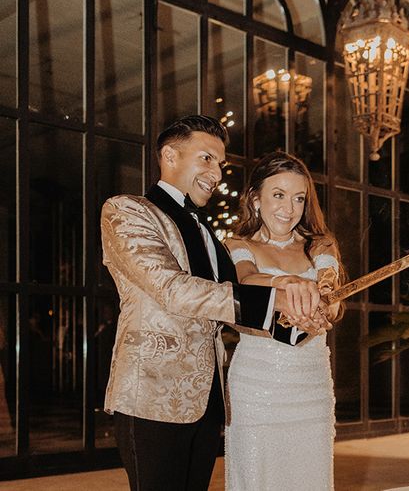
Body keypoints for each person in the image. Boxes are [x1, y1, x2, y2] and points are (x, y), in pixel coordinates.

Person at [101, 115, 329, 491]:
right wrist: (275, 296)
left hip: (208, 401)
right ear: (170, 156)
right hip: (152, 397)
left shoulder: (208, 231)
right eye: (207, 158)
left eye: (220, 164)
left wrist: (298, 320)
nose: (217, 173)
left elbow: (231, 307)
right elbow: (171, 289)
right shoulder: (127, 210)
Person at [224, 151, 344, 490]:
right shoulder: (237, 244)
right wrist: (284, 283)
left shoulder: (320, 245)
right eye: (278, 195)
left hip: (311, 385)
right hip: (256, 385)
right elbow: (246, 279)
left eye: (298, 199)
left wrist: (323, 300)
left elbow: (330, 290)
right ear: (255, 198)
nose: (288, 209)